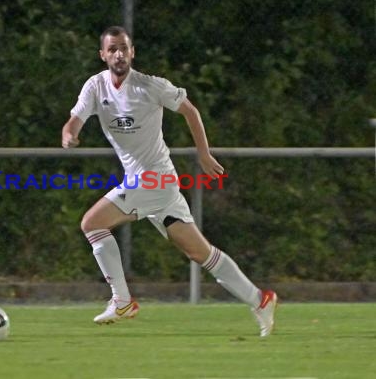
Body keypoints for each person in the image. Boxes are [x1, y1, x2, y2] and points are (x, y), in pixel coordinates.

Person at [61, 26, 278, 337]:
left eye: (124, 48)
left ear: (132, 52)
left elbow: (190, 111)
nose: (119, 54)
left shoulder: (150, 86)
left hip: (155, 180)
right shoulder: (95, 87)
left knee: (92, 223)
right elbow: (75, 120)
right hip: (152, 184)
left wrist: (203, 153)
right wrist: (70, 133)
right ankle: (260, 300)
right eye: (112, 49)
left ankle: (122, 300)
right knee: (200, 253)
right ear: (103, 55)